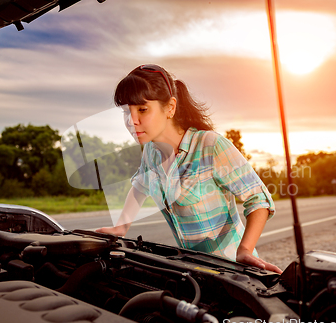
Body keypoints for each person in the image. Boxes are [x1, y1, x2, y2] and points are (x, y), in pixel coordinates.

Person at [96, 64, 281, 273]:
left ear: (170, 108)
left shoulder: (210, 145)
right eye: (126, 111)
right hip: (194, 270)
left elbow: (259, 199)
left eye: (142, 109)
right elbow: (140, 185)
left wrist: (245, 250)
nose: (132, 121)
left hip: (233, 271)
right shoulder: (151, 151)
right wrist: (122, 226)